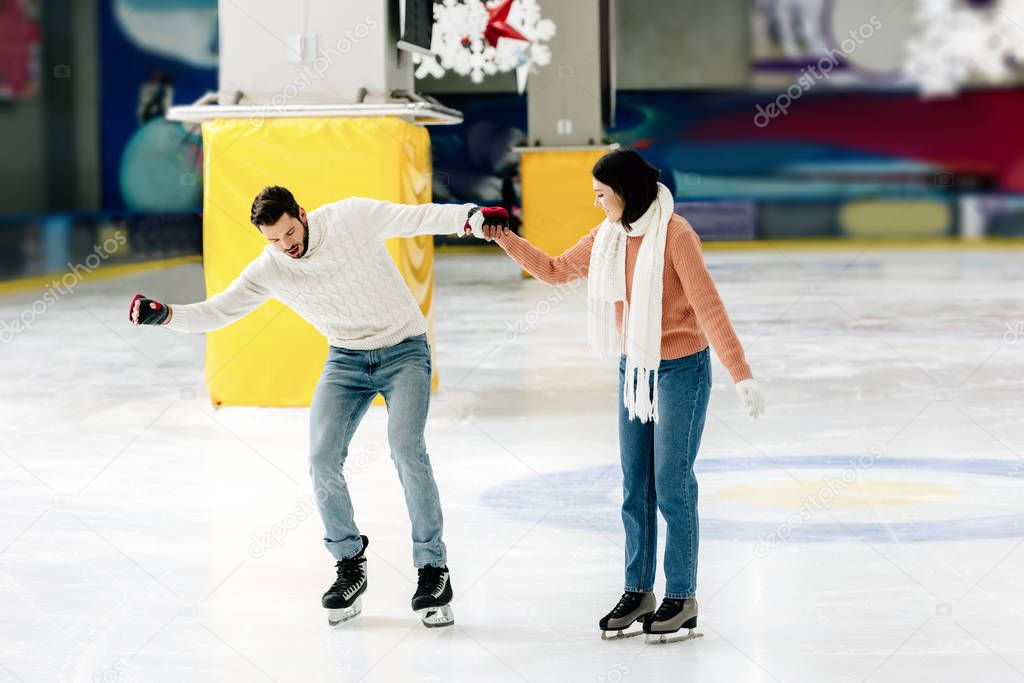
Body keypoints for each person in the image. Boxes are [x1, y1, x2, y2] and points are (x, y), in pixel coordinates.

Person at [128, 185, 508, 629]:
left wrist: (472, 215)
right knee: (321, 458)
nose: (284, 245)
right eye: (272, 239)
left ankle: (432, 569)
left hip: (404, 350)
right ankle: (349, 563)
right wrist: (166, 314)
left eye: (289, 232)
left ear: (302, 215)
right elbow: (220, 311)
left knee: (406, 448)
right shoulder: (271, 268)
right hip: (345, 359)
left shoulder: (350, 217)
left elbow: (416, 217)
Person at [481, 149, 765, 643]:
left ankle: (682, 596)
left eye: (600, 194)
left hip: (681, 369)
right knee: (636, 486)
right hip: (635, 370)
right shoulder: (610, 236)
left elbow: (707, 305)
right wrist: (503, 236)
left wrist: (741, 373)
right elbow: (552, 269)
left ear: (625, 193)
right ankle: (639, 590)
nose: (596, 203)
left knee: (672, 486)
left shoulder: (675, 234)